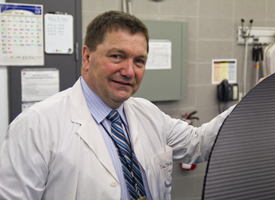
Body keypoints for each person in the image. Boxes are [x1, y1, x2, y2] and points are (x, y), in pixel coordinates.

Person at [0, 11, 234, 200]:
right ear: (87, 58)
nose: (129, 71)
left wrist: (255, 102)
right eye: (117, 56)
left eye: (139, 61)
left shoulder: (147, 112)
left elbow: (199, 144)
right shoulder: (37, 124)